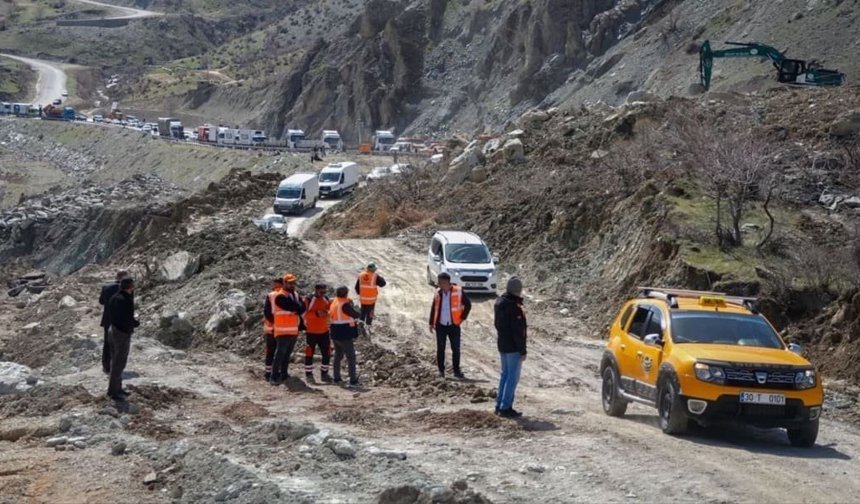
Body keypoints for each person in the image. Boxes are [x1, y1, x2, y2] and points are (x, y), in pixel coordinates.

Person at [494, 276, 527, 418]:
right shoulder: (513, 307)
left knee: (505, 375)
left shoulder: (499, 302)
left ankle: (499, 404)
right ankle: (506, 407)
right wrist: (522, 350)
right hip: (513, 347)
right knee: (512, 377)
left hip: (502, 344)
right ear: (518, 291)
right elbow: (518, 331)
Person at [428, 272, 472, 378]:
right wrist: (431, 323)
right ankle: (441, 371)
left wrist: (462, 318)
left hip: (454, 325)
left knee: (455, 349)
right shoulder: (437, 292)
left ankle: (456, 371)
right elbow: (434, 308)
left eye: (440, 282)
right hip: (441, 325)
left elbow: (468, 305)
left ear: (446, 282)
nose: (438, 284)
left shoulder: (458, 291)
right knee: (440, 348)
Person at [265, 273, 305, 385]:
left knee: (287, 354)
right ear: (284, 283)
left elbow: (302, 308)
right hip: (282, 330)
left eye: (293, 283)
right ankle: (273, 376)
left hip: (293, 329)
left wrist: (297, 308)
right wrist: (297, 308)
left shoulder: (295, 295)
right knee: (280, 353)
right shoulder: (280, 296)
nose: (292, 285)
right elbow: (294, 306)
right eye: (289, 283)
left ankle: (284, 374)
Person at [107, 277, 139, 401]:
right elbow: (127, 318)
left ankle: (117, 388)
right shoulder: (126, 300)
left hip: (112, 329)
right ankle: (113, 391)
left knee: (115, 360)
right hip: (122, 333)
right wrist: (135, 324)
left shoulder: (114, 297)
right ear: (130, 287)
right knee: (119, 362)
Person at [329, 285, 362, 386]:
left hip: (335, 332)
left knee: (338, 355)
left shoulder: (335, 301)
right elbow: (356, 314)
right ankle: (353, 380)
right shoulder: (345, 305)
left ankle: (336, 377)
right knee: (351, 356)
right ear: (346, 294)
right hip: (344, 333)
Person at [99, 270, 129, 375]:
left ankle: (106, 366)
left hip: (108, 319)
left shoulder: (106, 287)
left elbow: (101, 301)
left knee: (107, 343)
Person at [303, 283, 332, 383]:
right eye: (321, 292)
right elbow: (304, 314)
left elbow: (329, 310)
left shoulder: (326, 298)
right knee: (309, 352)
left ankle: (324, 373)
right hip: (311, 331)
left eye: (325, 292)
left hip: (324, 331)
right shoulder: (309, 299)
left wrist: (327, 313)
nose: (323, 294)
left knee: (327, 352)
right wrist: (316, 313)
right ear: (316, 290)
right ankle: (309, 375)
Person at [262, 277, 284, 381]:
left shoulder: (270, 295)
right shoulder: (284, 295)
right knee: (278, 352)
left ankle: (268, 373)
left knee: (270, 351)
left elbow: (266, 312)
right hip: (280, 329)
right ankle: (276, 373)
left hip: (270, 328)